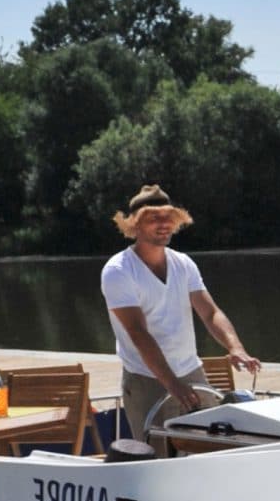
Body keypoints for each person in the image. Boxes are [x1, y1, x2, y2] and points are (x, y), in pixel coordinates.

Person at [101, 185, 260, 452]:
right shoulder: (118, 271)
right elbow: (138, 333)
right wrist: (172, 384)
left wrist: (236, 348)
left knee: (212, 450)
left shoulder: (183, 263)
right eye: (154, 218)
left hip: (191, 371)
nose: (163, 224)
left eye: (168, 218)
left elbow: (210, 312)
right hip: (147, 379)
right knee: (159, 460)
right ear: (135, 225)